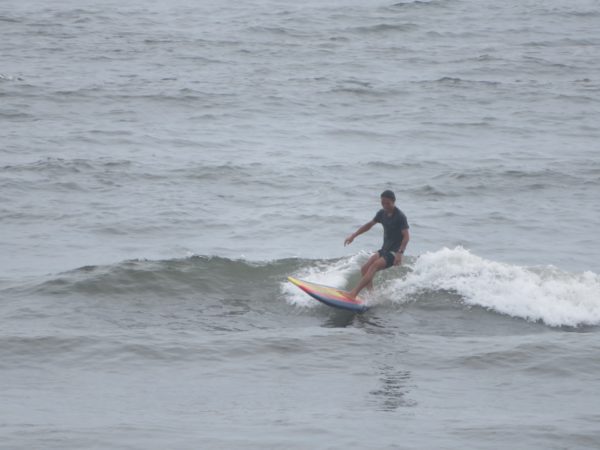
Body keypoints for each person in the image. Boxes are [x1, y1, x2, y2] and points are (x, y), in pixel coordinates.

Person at [344, 190, 410, 299]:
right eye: (383, 203)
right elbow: (369, 225)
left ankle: (353, 294)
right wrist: (353, 235)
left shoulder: (400, 216)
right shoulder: (382, 213)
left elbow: (406, 237)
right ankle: (372, 296)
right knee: (364, 269)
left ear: (394, 201)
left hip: (394, 252)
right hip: (385, 249)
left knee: (373, 266)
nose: (385, 206)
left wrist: (400, 253)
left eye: (387, 203)